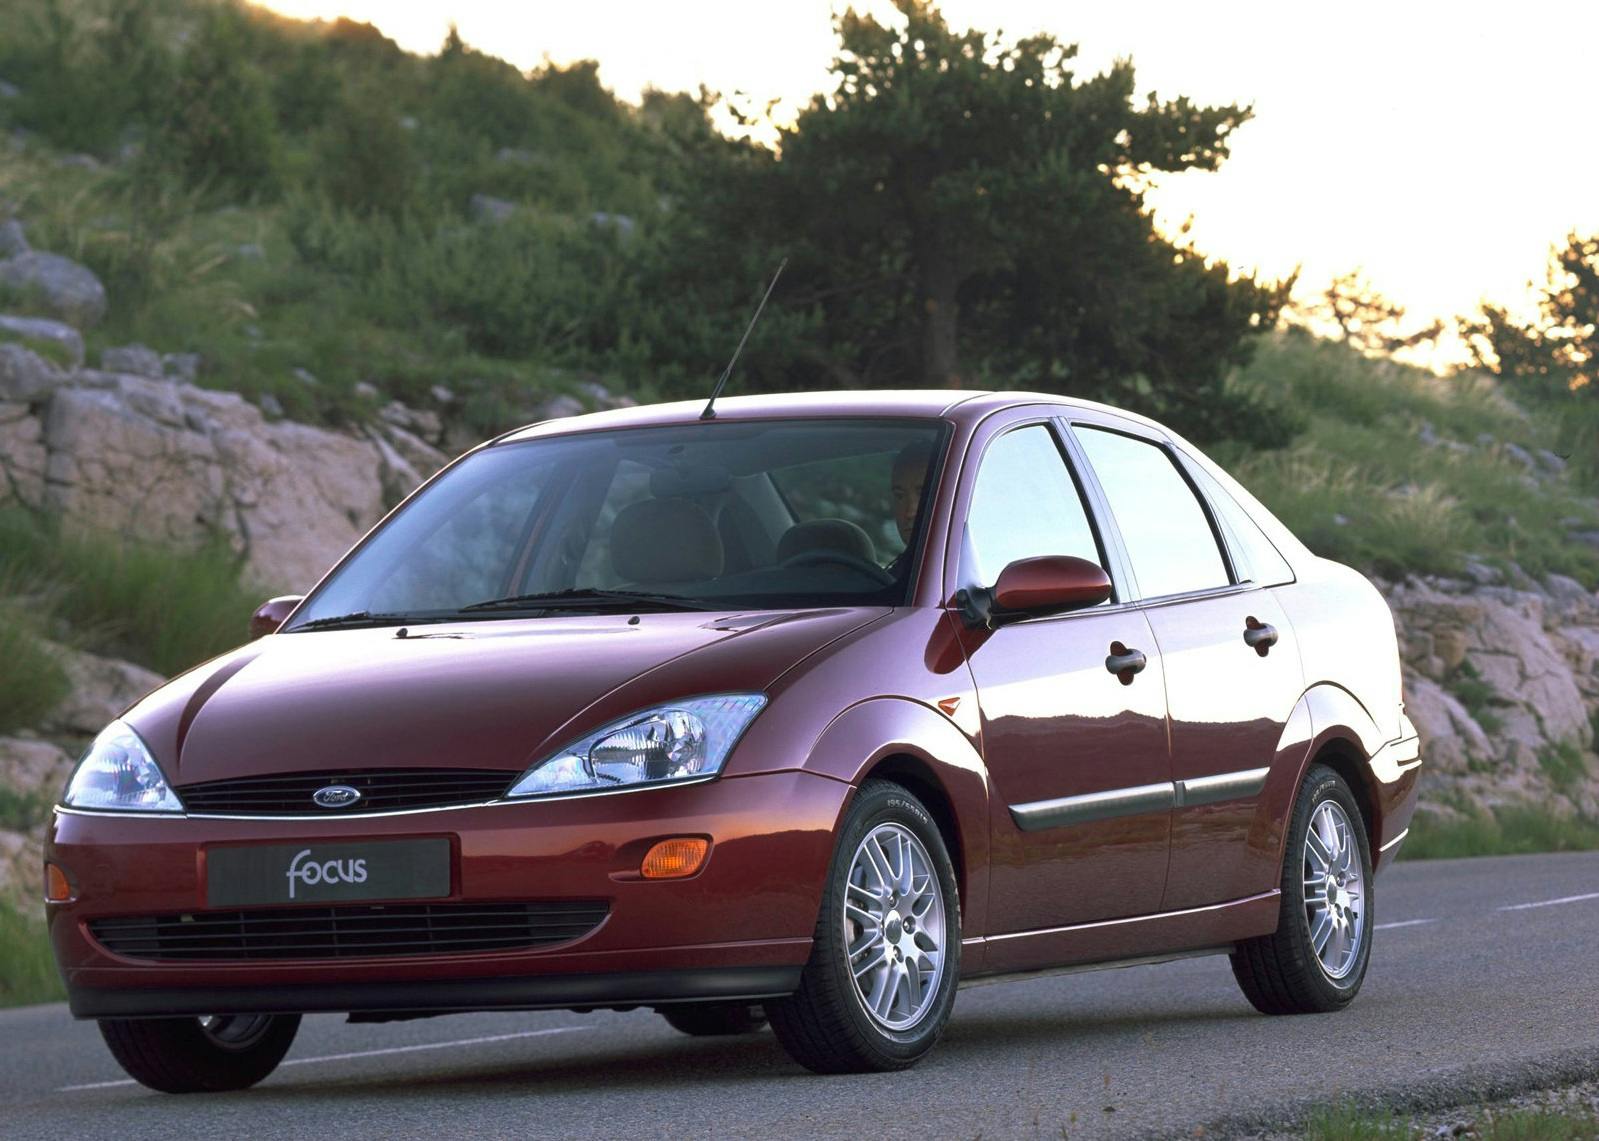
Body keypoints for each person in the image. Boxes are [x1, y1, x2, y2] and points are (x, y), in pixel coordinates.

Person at [887, 439, 935, 571]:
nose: (910, 512)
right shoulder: (893, 576)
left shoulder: (965, 573)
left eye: (923, 494)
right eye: (900, 496)